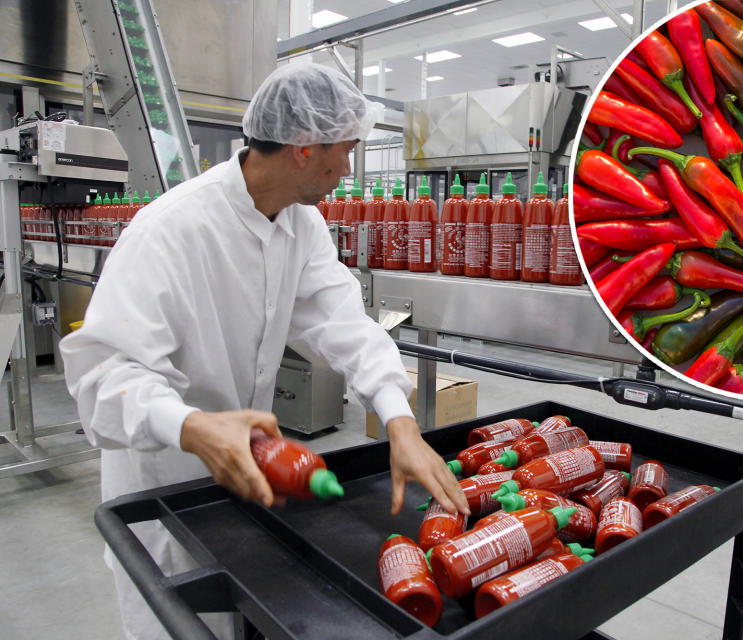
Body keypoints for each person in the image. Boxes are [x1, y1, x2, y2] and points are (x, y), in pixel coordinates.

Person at [60, 62, 469, 640]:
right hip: (165, 486)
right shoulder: (170, 231)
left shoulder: (301, 225)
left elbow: (343, 322)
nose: (347, 170)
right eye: (345, 151)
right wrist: (193, 427)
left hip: (242, 486)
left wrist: (398, 417)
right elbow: (103, 377)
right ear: (304, 148)